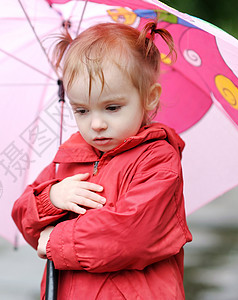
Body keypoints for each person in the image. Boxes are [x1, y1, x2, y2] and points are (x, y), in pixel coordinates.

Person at [12, 21, 193, 299]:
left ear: (149, 98)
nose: (96, 124)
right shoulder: (69, 158)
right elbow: (25, 218)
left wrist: (56, 241)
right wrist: (51, 197)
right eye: (82, 110)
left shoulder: (157, 159)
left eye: (112, 108)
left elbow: (130, 236)